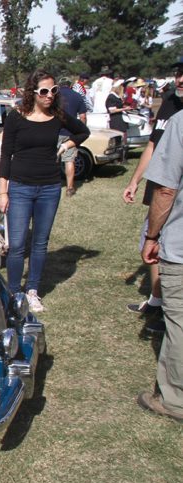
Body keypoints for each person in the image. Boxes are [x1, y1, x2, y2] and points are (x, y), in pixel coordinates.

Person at [0, 69, 90, 312]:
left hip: (49, 187)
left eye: (54, 90)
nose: (50, 95)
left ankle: (32, 291)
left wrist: (66, 145)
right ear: (33, 92)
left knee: (40, 242)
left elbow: (83, 131)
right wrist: (3, 192)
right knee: (16, 244)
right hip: (19, 187)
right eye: (45, 91)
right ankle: (14, 293)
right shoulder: (16, 117)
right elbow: (6, 155)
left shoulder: (58, 116)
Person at [122, 57, 183, 332]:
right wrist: (135, 180)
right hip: (159, 189)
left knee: (161, 246)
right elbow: (152, 146)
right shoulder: (169, 104)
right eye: (179, 73)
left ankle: (167, 309)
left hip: (173, 197)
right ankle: (157, 301)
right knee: (155, 249)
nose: (181, 80)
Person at [136, 108, 183, 423]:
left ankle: (175, 398)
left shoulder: (180, 123)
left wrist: (152, 236)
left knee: (179, 321)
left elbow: (166, 189)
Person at [57, 77, 88, 196]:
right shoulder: (77, 96)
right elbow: (83, 116)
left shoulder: (55, 96)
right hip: (70, 133)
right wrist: (81, 131)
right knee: (69, 160)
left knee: (52, 158)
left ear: (59, 85)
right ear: (70, 85)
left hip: (55, 131)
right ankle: (69, 188)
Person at [106, 79, 130, 162]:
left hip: (120, 118)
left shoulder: (116, 97)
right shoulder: (111, 97)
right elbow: (111, 110)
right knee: (118, 138)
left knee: (123, 138)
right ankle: (117, 158)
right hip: (115, 119)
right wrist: (124, 108)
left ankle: (123, 158)